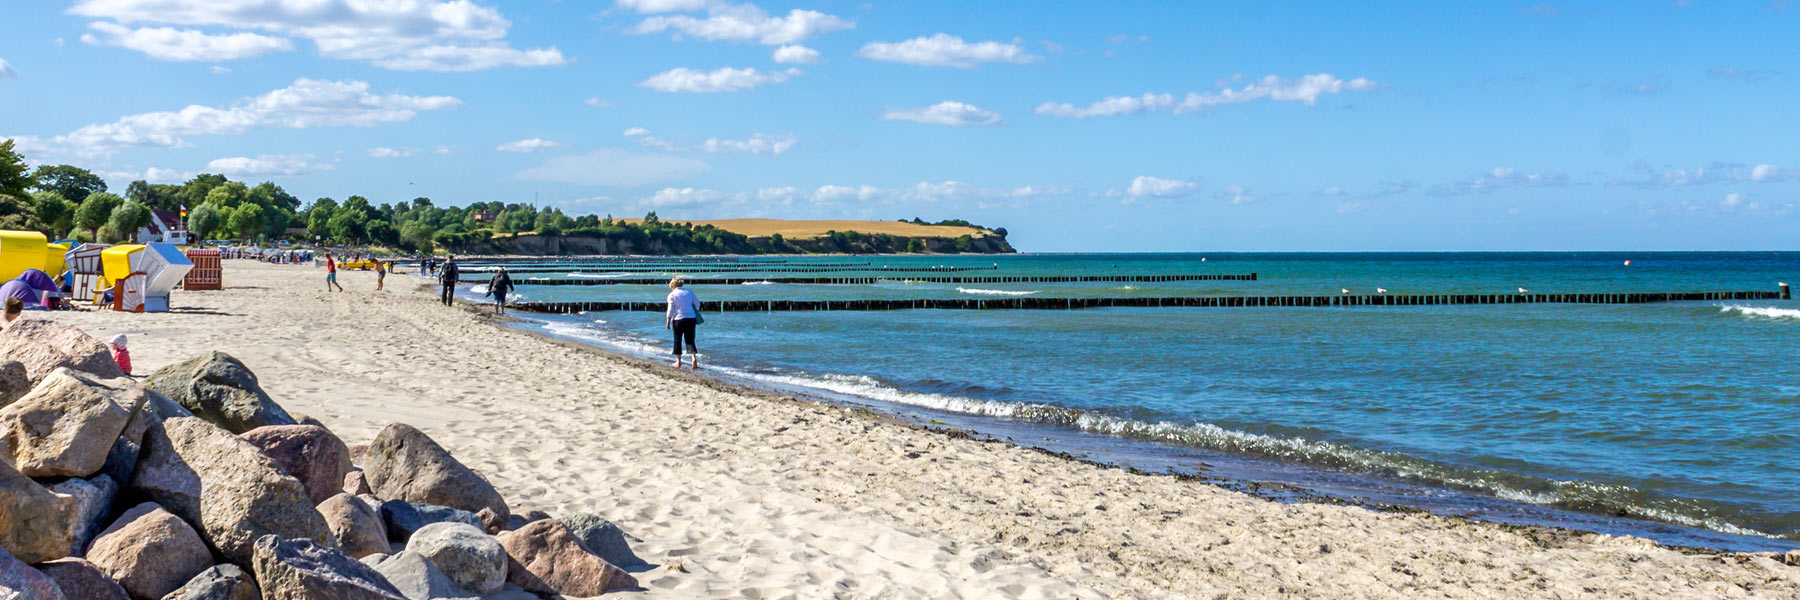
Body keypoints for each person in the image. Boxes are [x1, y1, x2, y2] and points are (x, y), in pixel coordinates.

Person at [664, 277, 701, 369]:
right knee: (690, 340)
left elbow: (670, 309)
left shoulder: (672, 295)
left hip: (678, 319)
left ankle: (678, 361)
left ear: (673, 285)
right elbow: (697, 304)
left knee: (678, 339)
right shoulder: (689, 292)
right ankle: (693, 359)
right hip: (691, 318)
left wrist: (668, 321)